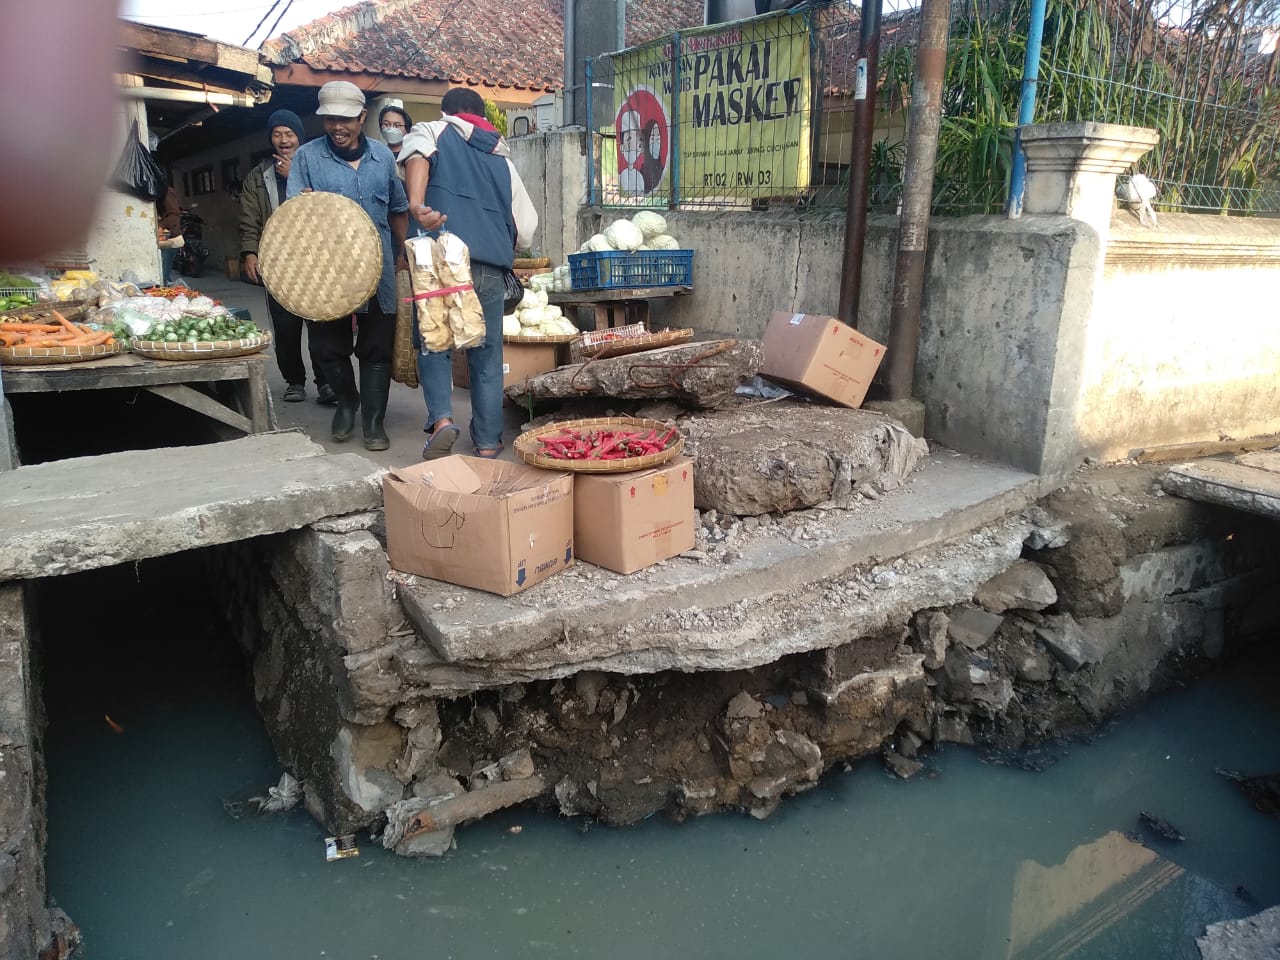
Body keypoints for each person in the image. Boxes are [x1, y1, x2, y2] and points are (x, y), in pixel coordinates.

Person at [400, 87, 537, 459]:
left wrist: (416, 204)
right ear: (481, 116)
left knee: (435, 342)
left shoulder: (432, 131)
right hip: (488, 268)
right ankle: (488, 442)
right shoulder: (502, 160)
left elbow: (416, 154)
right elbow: (526, 228)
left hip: (438, 261)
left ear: (447, 112)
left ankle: (443, 420)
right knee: (486, 354)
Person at [287, 81, 409, 452]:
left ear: (362, 117)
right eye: (329, 120)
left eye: (344, 119)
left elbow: (397, 208)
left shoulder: (383, 157)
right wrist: (304, 206)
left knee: (376, 349)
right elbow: (291, 216)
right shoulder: (307, 158)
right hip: (328, 272)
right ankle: (347, 402)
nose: (336, 127)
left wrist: (402, 253)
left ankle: (373, 420)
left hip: (379, 270)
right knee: (327, 347)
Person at [239, 109, 334, 405]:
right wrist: (250, 252)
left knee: (320, 325)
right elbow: (249, 218)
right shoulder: (258, 176)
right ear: (271, 139)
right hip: (278, 261)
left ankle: (326, 382)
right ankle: (294, 381)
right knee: (286, 326)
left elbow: (329, 206)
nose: (283, 140)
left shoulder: (316, 167)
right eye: (277, 134)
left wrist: (295, 175)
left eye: (289, 134)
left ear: (299, 137)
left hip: (314, 259)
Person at [157, 179, 181, 284]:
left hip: (169, 234)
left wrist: (161, 226)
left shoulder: (166, 191)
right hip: (165, 233)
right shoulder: (159, 191)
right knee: (164, 270)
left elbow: (173, 214)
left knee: (164, 271)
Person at [378, 102, 413, 175]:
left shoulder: (412, 155)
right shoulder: (377, 154)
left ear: (407, 129)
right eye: (386, 124)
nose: (391, 129)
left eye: (397, 125)